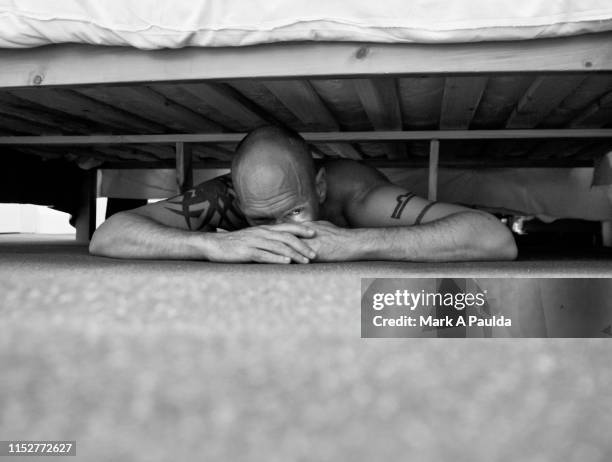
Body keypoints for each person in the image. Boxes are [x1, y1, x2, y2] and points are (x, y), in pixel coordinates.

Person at [89, 126, 517, 263]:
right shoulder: (226, 196)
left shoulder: (359, 196)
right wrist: (211, 244)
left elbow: (493, 238)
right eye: (260, 221)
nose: (281, 235)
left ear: (320, 187)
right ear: (238, 198)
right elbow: (108, 235)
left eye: (294, 211)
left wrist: (355, 242)